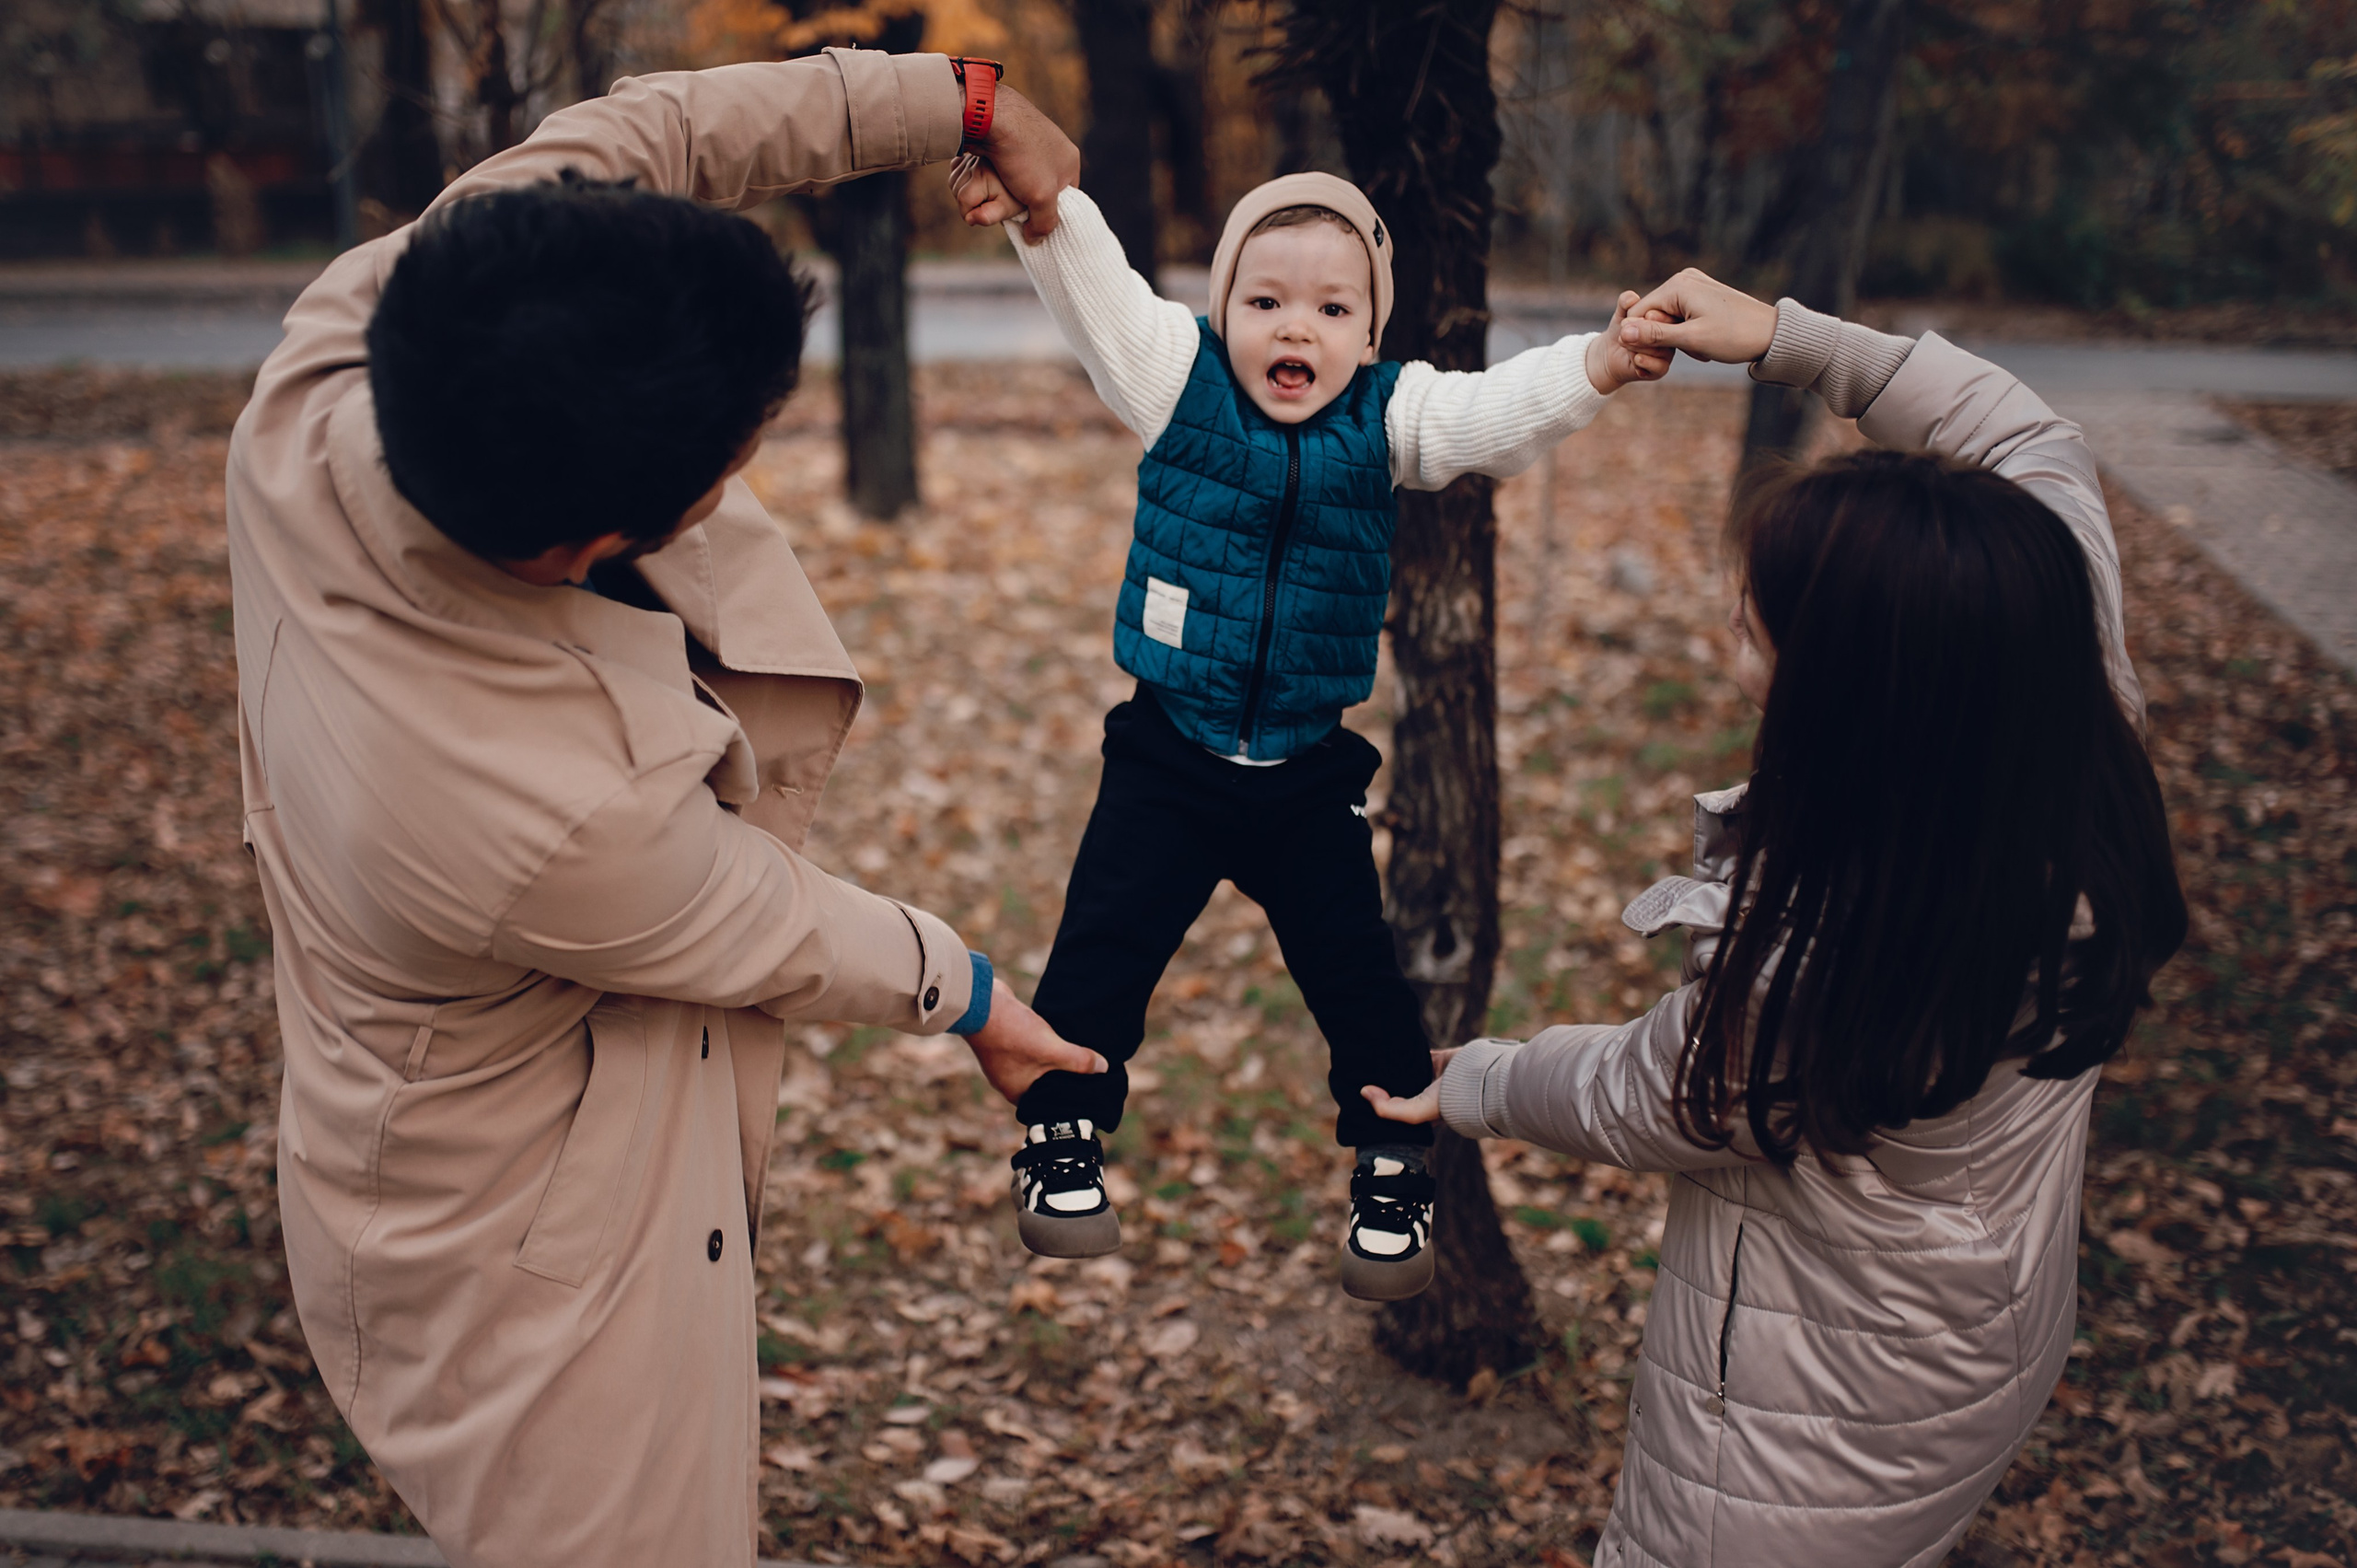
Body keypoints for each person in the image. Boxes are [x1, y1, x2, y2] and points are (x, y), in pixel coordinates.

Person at [226, 51, 1099, 1568]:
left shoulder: (361, 338)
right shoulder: (536, 813)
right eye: (736, 459)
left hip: (486, 1051)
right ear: (591, 545)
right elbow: (767, 921)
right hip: (530, 1246)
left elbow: (656, 132)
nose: (751, 465)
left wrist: (959, 102)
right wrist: (975, 995)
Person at [1363, 271, 2189, 1566]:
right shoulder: (2055, 685)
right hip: (1984, 1325)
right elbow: (2026, 441)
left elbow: (1653, 1090)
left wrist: (1473, 1076)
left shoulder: (1834, 962)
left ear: (1852, 694)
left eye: (1752, 629)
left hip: (1805, 1432)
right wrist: (1791, 342)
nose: (1726, 630)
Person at [946, 162, 1671, 1298]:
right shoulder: (1174, 379)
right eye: (1266, 300)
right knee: (1102, 945)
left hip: (1302, 770)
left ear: (1370, 330)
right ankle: (1061, 1134)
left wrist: (1601, 363)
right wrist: (1046, 208)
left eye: (1333, 309)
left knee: (1357, 971)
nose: (1297, 328)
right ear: (1225, 306)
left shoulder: (1391, 417)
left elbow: (1494, 414)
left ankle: (1391, 1156)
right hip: (1167, 753)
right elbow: (1100, 289)